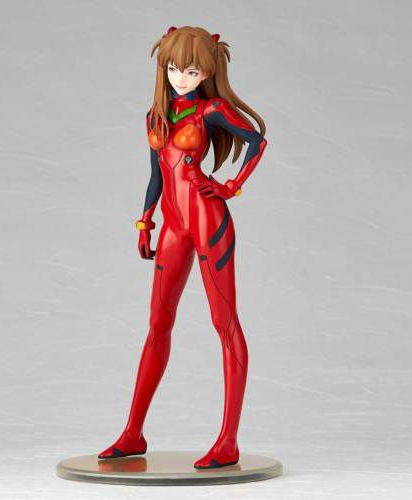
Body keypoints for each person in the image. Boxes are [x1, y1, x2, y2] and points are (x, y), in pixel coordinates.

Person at [98, 25, 268, 469]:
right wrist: (145, 221)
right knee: (157, 325)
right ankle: (133, 432)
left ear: (207, 73)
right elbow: (156, 175)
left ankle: (228, 441)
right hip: (173, 226)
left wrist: (231, 186)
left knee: (224, 323)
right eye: (174, 68)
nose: (181, 77)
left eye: (192, 71)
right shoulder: (155, 115)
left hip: (208, 221)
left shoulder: (212, 110)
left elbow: (257, 140)